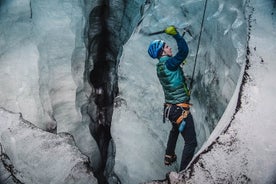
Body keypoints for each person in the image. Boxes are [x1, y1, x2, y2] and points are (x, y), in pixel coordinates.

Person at [147, 25, 197, 171]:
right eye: (167, 47)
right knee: (191, 142)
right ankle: (184, 174)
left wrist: (178, 65)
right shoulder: (169, 63)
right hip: (180, 109)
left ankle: (169, 155)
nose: (170, 48)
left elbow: (172, 74)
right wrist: (176, 35)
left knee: (175, 130)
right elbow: (184, 51)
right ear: (162, 51)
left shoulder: (160, 67)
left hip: (171, 109)